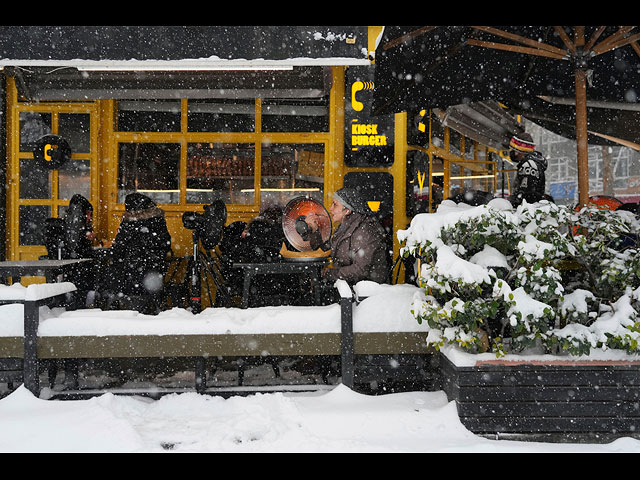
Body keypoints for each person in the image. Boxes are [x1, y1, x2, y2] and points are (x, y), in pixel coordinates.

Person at [307, 187, 389, 286]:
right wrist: (314, 229)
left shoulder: (364, 231)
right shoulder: (345, 227)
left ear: (347, 210)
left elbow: (360, 270)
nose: (330, 209)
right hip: (350, 287)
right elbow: (323, 250)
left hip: (368, 293)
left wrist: (330, 274)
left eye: (335, 204)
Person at [105, 193, 172, 313]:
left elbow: (119, 250)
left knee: (134, 305)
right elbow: (166, 244)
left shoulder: (129, 223)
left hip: (132, 273)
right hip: (155, 273)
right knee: (152, 304)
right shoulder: (158, 220)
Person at [509, 133, 548, 207]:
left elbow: (526, 194)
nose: (513, 154)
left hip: (527, 210)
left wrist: (515, 205)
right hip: (533, 208)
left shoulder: (528, 166)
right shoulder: (533, 163)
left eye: (514, 150)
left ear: (519, 151)